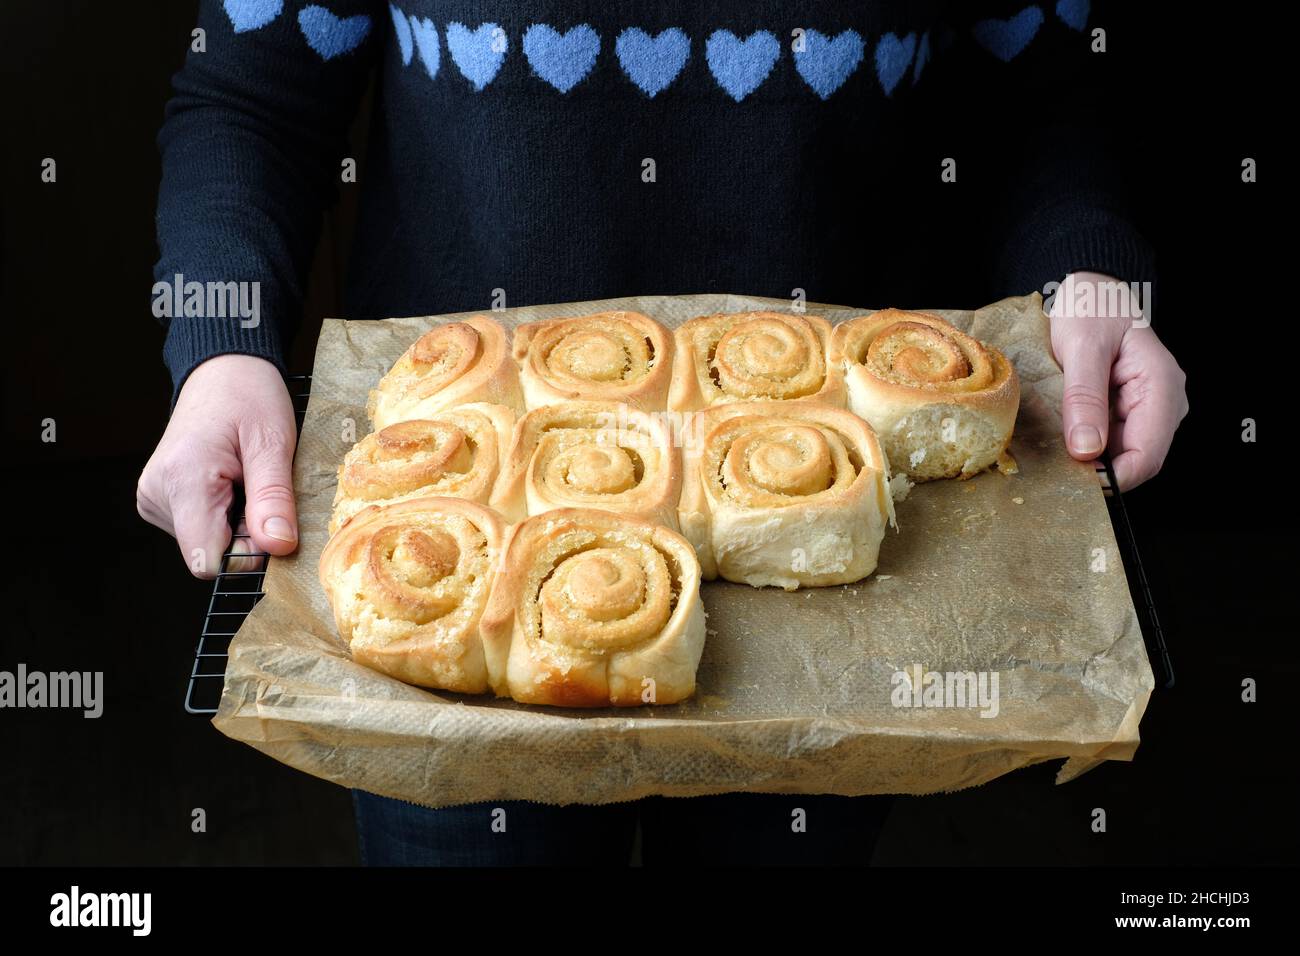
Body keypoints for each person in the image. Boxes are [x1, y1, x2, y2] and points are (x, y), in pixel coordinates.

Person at [137, 1, 1187, 865]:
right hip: (446, 519)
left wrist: (1086, 262)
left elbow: (1054, 80)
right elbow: (251, 91)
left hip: (843, 591)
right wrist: (227, 341)